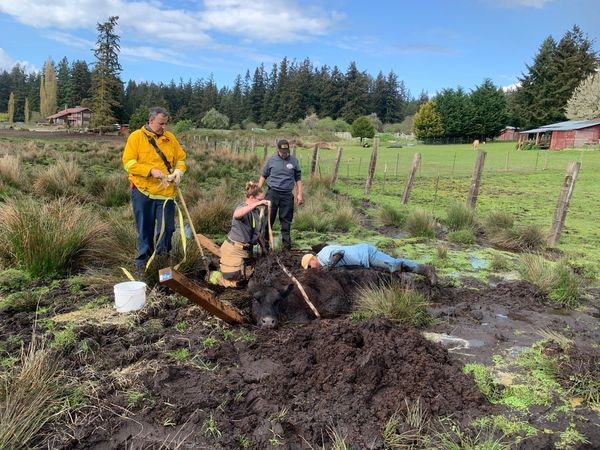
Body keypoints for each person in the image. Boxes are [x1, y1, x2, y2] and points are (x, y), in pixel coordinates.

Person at [122, 106, 186, 272]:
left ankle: (162, 261)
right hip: (143, 191)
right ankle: (143, 264)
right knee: (145, 229)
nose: (164, 127)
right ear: (151, 121)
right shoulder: (136, 137)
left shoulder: (170, 138)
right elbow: (128, 163)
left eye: (165, 124)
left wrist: (179, 171)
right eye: (161, 124)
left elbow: (181, 159)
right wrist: (150, 171)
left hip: (166, 194)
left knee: (168, 229)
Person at [209, 181, 270, 288]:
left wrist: (264, 248)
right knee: (236, 282)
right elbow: (237, 215)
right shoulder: (242, 207)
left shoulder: (255, 212)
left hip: (245, 252)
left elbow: (257, 233)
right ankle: (212, 276)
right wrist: (257, 204)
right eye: (260, 200)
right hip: (234, 250)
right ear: (251, 197)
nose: (262, 202)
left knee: (248, 277)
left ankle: (231, 272)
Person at [301, 243, 437, 284]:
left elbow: (340, 253)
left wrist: (329, 267)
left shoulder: (324, 254)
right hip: (364, 261)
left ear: (312, 259)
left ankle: (426, 270)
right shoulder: (323, 261)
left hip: (366, 254)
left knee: (393, 264)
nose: (311, 270)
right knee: (391, 269)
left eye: (309, 267)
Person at [258, 139, 303, 250]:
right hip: (272, 194)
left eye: (286, 151)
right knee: (268, 220)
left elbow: (298, 180)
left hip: (287, 195)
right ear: (278, 149)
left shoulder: (294, 161)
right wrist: (258, 191)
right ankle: (265, 247)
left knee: (286, 221)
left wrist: (299, 194)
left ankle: (286, 248)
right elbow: (263, 176)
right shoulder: (271, 160)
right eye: (282, 151)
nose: (284, 153)